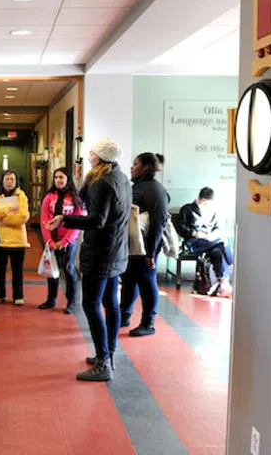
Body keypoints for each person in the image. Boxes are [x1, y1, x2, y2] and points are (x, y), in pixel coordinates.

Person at [47, 139, 131, 381]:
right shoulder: (120, 178)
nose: (89, 157)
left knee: (91, 304)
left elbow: (97, 220)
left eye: (92, 154)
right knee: (110, 303)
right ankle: (108, 352)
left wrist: (65, 218)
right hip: (116, 251)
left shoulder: (101, 182)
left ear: (99, 158)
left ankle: (103, 361)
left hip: (101, 253)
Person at [120, 152, 170, 337]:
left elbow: (158, 222)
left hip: (147, 247)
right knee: (129, 279)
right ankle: (124, 316)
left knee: (147, 282)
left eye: (136, 164)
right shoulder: (139, 187)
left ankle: (148, 324)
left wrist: (150, 252)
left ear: (146, 168)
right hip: (134, 246)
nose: (132, 168)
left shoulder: (155, 191)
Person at [38, 167, 84, 314]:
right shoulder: (49, 197)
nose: (58, 180)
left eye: (61, 177)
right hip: (52, 241)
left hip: (68, 242)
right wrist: (49, 241)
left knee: (69, 270)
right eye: (56, 177)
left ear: (68, 179)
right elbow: (44, 220)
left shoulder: (76, 198)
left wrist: (64, 242)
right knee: (52, 270)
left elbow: (77, 222)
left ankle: (71, 302)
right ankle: (51, 299)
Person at [177, 187, 234, 297]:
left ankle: (223, 284)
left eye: (208, 204)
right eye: (203, 203)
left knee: (218, 251)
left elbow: (218, 228)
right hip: (195, 241)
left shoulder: (213, 211)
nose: (205, 206)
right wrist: (194, 233)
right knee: (222, 242)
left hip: (211, 241)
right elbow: (180, 227)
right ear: (199, 198)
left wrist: (212, 236)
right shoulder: (187, 209)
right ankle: (231, 263)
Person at [0, 170, 30, 306]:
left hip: (18, 240)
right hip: (0, 240)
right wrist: (10, 208)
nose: (9, 182)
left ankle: (18, 296)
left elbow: (23, 217)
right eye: (7, 179)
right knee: (0, 269)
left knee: (17, 270)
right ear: (2, 180)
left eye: (12, 179)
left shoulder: (22, 196)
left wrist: (4, 219)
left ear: (16, 181)